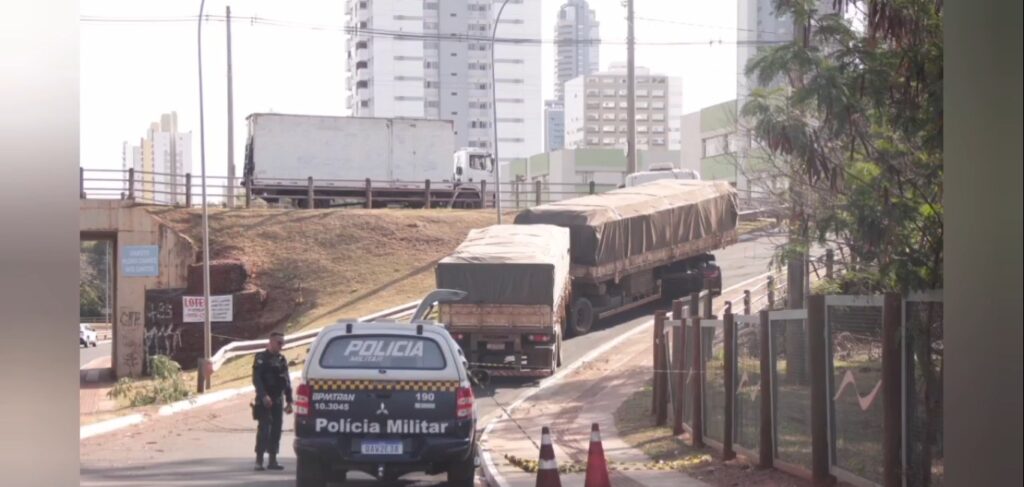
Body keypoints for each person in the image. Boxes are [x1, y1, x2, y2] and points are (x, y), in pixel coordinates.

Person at [252, 331, 293, 471]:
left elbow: (286, 380)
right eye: (279, 343)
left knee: (276, 430)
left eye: (283, 343)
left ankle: (273, 460)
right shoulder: (261, 358)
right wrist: (263, 396)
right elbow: (256, 379)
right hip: (264, 399)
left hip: (278, 398)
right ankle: (259, 461)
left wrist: (289, 400)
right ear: (271, 342)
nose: (281, 346)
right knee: (264, 429)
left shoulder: (282, 359)